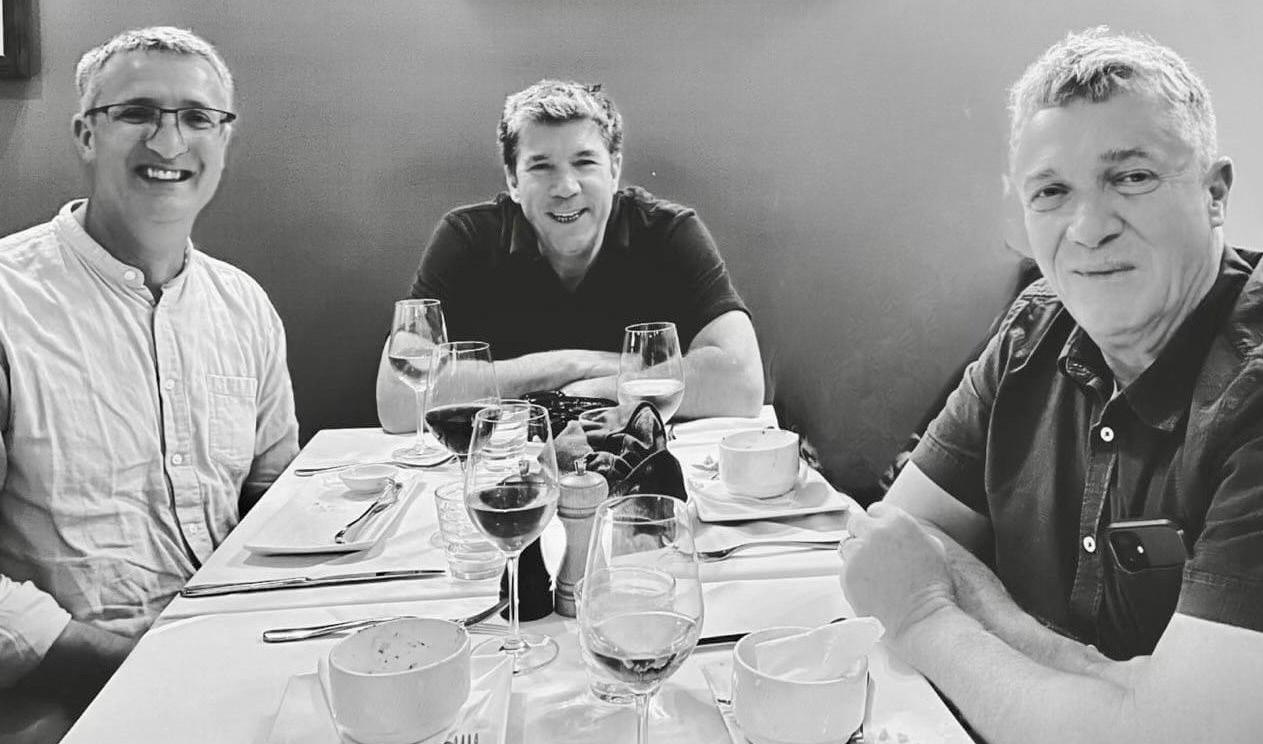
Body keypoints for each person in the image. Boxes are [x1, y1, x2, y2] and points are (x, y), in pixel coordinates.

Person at [840, 28, 1263, 743]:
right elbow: (895, 542)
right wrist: (1110, 684)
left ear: (1214, 193)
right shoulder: (1035, 329)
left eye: (1131, 177)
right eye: (1052, 191)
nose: (1088, 228)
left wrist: (925, 614)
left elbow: (1173, 740)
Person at [0, 26, 299, 717]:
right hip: (65, 702)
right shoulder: (10, 305)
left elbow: (274, 495)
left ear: (224, 139)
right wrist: (150, 670)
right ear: (86, 135)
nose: (168, 143)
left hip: (240, 661)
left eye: (197, 117)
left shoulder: (244, 305)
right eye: (136, 113)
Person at [376, 80, 763, 431]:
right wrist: (570, 365)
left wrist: (590, 388)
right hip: (506, 472)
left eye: (584, 162)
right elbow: (397, 398)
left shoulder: (670, 232)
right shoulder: (466, 238)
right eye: (541, 166)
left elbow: (743, 383)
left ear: (614, 169)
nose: (565, 187)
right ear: (513, 180)